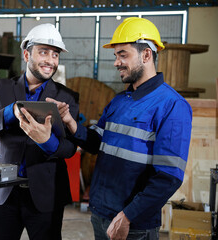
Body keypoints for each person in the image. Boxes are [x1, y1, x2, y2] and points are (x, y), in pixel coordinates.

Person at [47, 17, 192, 240]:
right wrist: (70, 122)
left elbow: (168, 177)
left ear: (146, 55)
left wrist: (127, 216)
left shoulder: (172, 106)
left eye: (123, 54)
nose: (116, 62)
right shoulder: (120, 100)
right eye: (116, 56)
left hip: (133, 225)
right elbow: (96, 141)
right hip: (101, 214)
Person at [0, 23, 79, 240]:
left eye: (55, 54)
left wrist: (47, 140)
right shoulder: (2, 87)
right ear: (27, 54)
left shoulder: (67, 97)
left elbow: (70, 147)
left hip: (45, 195)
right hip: (4, 194)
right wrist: (11, 111)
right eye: (44, 52)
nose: (50, 60)